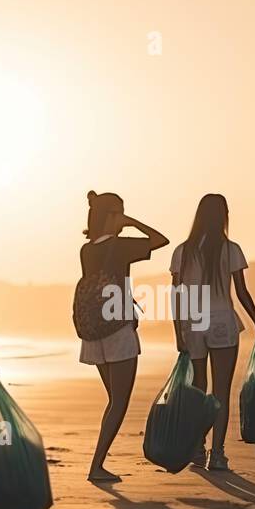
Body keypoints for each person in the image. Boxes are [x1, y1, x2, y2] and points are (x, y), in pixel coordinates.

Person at [169, 193, 255, 470]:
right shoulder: (231, 249)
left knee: (199, 387)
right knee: (220, 391)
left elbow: (177, 294)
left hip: (194, 322)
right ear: (224, 216)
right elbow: (242, 292)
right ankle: (218, 454)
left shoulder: (183, 251)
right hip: (223, 320)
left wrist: (179, 331)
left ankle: (198, 449)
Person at [77, 190, 168, 482]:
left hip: (94, 332)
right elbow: (160, 240)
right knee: (119, 402)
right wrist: (134, 223)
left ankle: (98, 465)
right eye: (120, 212)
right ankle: (96, 466)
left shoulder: (86, 250)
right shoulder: (120, 246)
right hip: (117, 330)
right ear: (112, 216)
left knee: (113, 401)